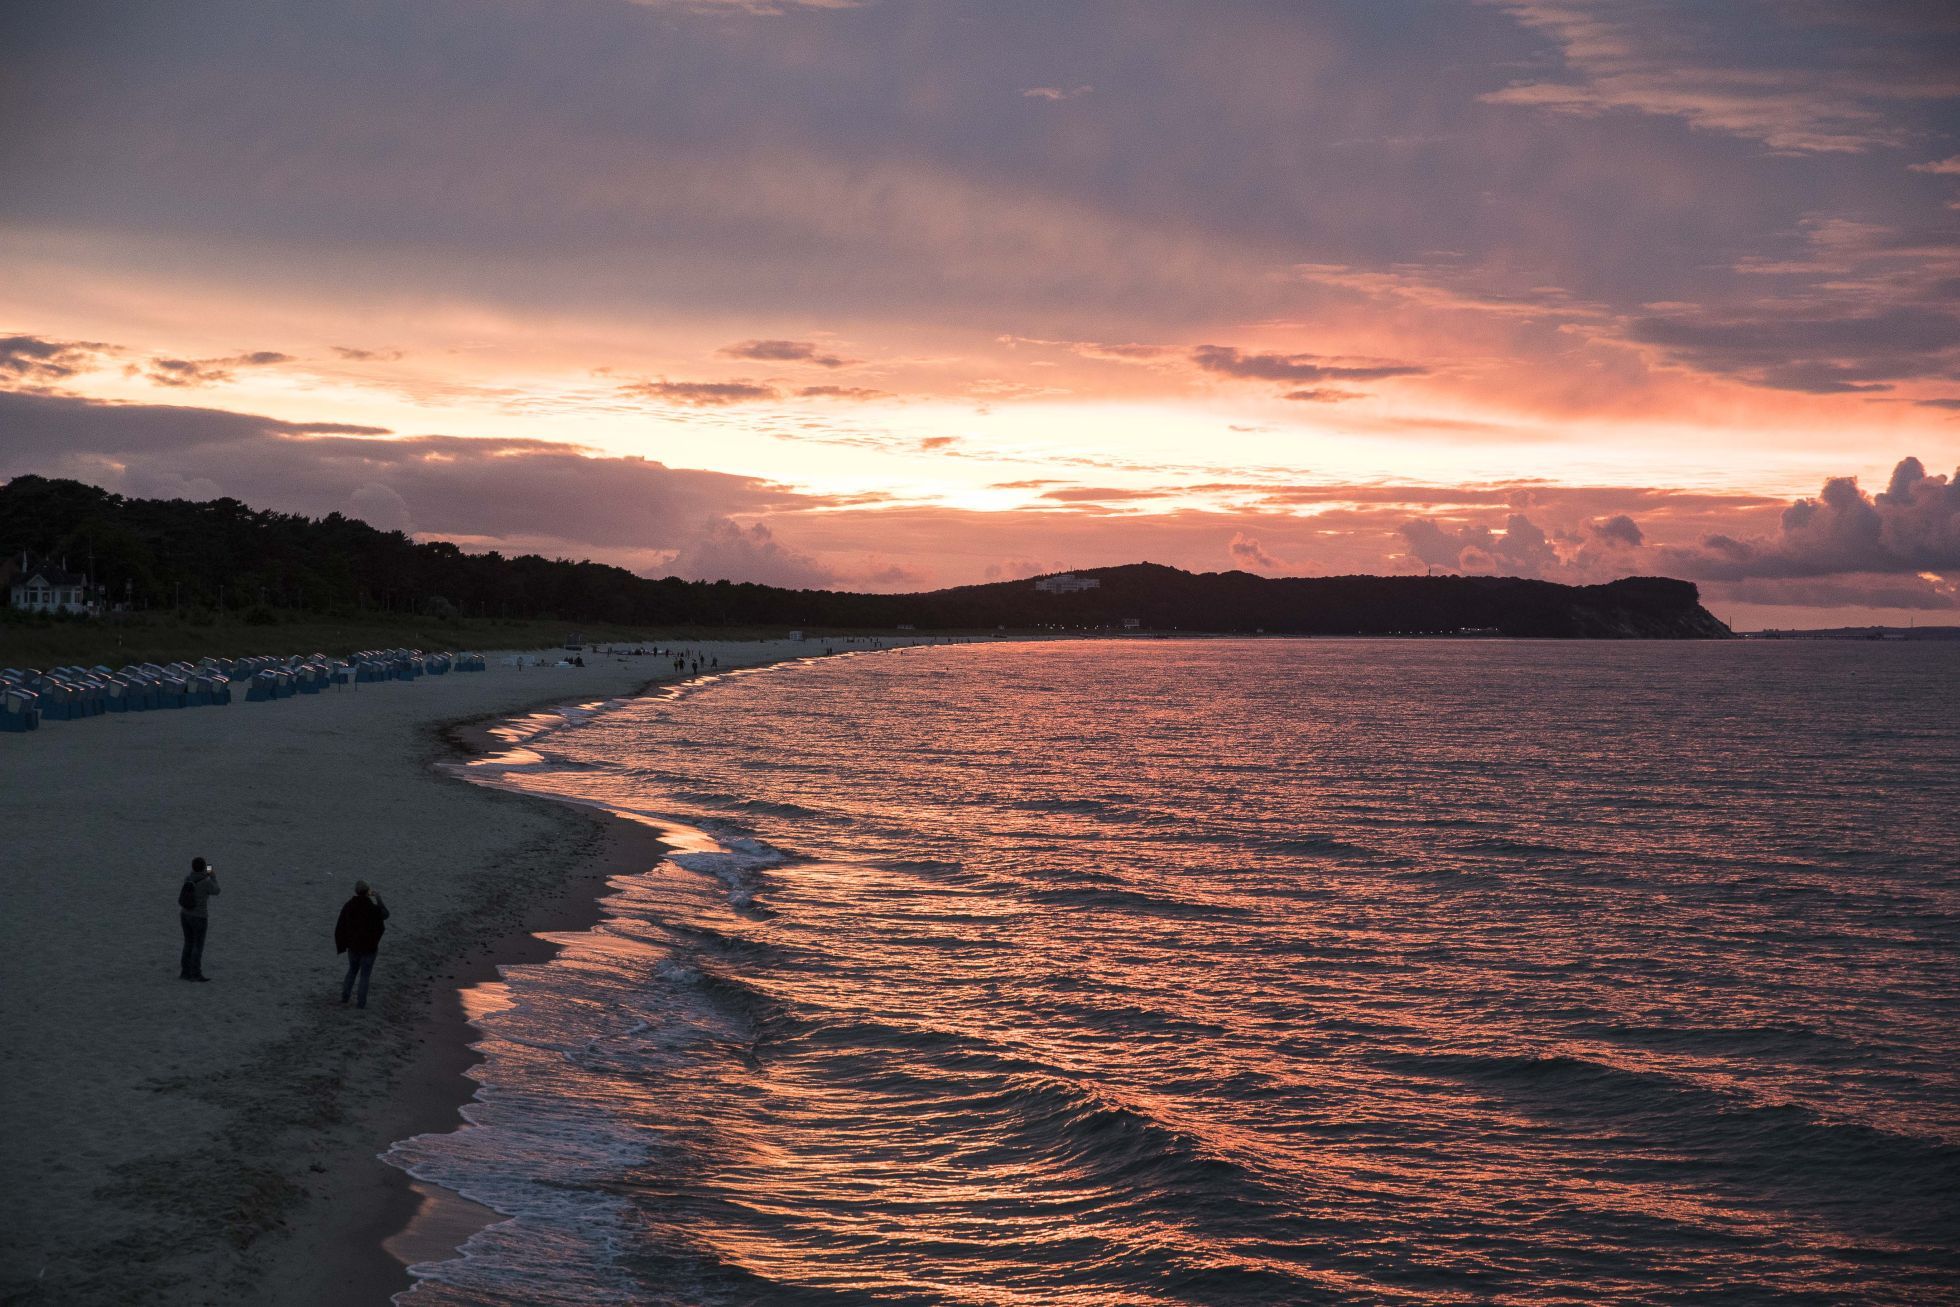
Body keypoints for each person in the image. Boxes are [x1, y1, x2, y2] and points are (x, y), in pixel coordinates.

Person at [334, 880, 391, 1008]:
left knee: (352, 971)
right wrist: (379, 899)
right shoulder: (372, 908)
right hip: (369, 947)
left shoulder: (349, 905)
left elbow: (341, 924)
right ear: (367, 892)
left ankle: (345, 997)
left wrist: (344, 942)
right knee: (365, 976)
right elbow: (386, 915)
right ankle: (361, 1003)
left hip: (353, 946)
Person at [178, 856, 219, 981]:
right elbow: (216, 890)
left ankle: (185, 972)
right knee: (198, 945)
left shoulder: (188, 879)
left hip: (185, 914)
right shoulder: (206, 882)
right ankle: (195, 973)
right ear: (203, 868)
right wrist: (212, 875)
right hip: (199, 917)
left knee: (188, 943)